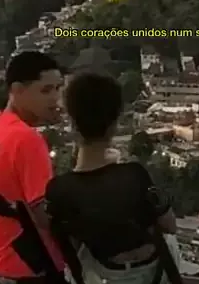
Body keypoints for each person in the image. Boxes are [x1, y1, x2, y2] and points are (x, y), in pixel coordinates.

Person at [46, 73, 180, 284]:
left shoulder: (60, 189)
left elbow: (68, 249)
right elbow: (170, 225)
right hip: (153, 274)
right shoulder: (135, 174)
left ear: (72, 124)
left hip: (103, 275)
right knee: (170, 240)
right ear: (115, 123)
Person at [0, 51, 66, 283]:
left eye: (58, 88)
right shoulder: (26, 139)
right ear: (17, 90)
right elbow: (43, 215)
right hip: (28, 266)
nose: (55, 98)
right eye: (46, 90)